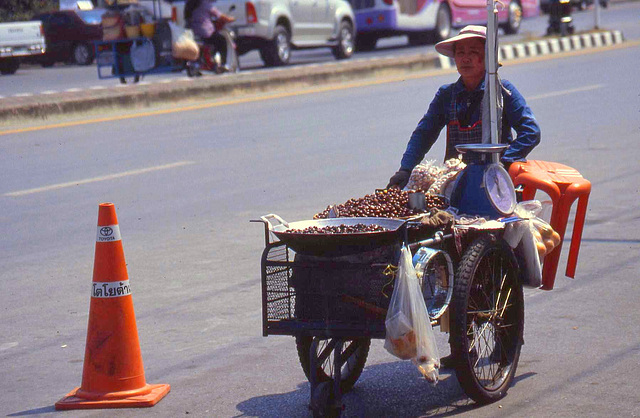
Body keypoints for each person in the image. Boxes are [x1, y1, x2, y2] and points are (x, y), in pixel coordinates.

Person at [386, 25, 541, 190]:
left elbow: (531, 131)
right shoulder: (446, 94)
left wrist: (505, 162)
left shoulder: (503, 91)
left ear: (487, 57)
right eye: (460, 53)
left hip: (496, 182)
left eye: (473, 52)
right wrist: (406, 169)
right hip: (455, 181)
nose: (465, 59)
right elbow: (423, 134)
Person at [184, 0, 235, 69]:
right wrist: (230, 19)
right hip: (205, 32)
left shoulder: (189, 5)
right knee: (222, 40)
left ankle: (211, 59)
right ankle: (224, 64)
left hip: (193, 32)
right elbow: (219, 15)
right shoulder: (204, 3)